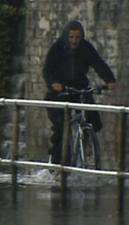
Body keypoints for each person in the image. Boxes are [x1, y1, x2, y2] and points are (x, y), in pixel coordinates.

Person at [43, 20, 116, 164]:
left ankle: (87, 142)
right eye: (71, 37)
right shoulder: (57, 49)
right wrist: (53, 83)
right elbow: (47, 69)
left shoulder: (86, 48)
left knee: (94, 119)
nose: (75, 41)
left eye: (77, 37)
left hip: (79, 89)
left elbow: (98, 63)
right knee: (61, 127)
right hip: (60, 92)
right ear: (66, 37)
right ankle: (58, 162)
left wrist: (109, 80)